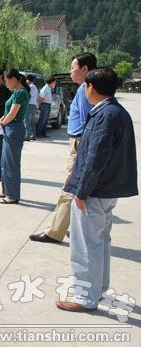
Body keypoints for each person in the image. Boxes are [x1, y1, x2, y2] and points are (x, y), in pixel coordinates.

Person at [56, 67, 137, 312]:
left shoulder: (105, 115)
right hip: (107, 189)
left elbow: (95, 158)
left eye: (85, 86)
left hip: (95, 191)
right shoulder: (115, 112)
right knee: (100, 241)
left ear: (91, 87)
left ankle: (85, 297)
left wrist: (82, 191)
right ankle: (98, 289)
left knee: (85, 245)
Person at [30, 53, 97, 244]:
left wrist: (82, 147)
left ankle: (55, 232)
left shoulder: (86, 91)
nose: (70, 71)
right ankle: (76, 227)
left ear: (85, 69)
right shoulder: (86, 89)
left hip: (80, 142)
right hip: (79, 141)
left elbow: (88, 123)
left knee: (70, 187)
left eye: (73, 67)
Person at [0, 69, 30, 204]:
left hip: (14, 129)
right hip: (9, 128)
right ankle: (6, 190)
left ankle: (12, 195)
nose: (6, 84)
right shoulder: (16, 93)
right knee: (5, 162)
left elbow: (12, 113)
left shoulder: (21, 93)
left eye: (7, 81)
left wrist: (2, 123)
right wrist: (2, 120)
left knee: (11, 163)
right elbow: (7, 112)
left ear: (14, 79)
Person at [24, 75, 39, 141]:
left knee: (26, 121)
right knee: (32, 122)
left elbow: (28, 96)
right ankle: (33, 135)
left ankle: (27, 136)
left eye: (26, 80)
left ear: (28, 80)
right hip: (34, 105)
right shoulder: (35, 87)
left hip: (29, 105)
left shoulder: (30, 87)